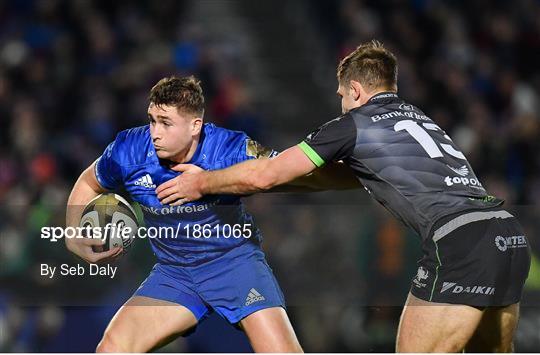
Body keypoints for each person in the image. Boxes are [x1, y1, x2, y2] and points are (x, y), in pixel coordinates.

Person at [161, 41, 531, 352]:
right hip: (506, 235)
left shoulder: (353, 124)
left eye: (341, 95)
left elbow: (263, 175)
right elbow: (336, 179)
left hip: (459, 243)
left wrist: (202, 183)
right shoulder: (419, 119)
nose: (341, 103)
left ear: (355, 90)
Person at [65, 75, 357, 352]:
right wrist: (72, 233)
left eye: (166, 123)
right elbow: (89, 181)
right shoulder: (128, 150)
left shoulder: (230, 148)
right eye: (152, 120)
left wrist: (357, 178)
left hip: (235, 264)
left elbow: (289, 173)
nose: (155, 133)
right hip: (175, 273)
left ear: (195, 125)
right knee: (111, 349)